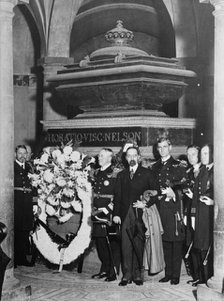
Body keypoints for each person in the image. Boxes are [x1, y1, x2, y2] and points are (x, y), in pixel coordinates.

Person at [113, 146, 157, 286]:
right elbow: (118, 197)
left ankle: (138, 275)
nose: (132, 158)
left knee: (138, 244)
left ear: (138, 157)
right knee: (125, 245)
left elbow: (156, 192)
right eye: (129, 156)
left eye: (134, 155)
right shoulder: (121, 175)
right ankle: (126, 275)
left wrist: (145, 204)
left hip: (140, 215)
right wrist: (116, 215)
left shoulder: (147, 173)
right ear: (126, 158)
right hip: (125, 214)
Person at [151, 137, 187, 285]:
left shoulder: (179, 166)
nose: (162, 150)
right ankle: (168, 273)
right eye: (159, 147)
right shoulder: (154, 167)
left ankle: (176, 275)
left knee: (176, 242)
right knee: (164, 241)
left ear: (170, 148)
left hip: (173, 209)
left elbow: (184, 187)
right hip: (160, 209)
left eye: (165, 147)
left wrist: (175, 194)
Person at [91, 148, 121, 282]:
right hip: (97, 213)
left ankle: (113, 272)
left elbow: (118, 196)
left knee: (112, 244)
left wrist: (108, 210)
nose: (99, 158)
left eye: (102, 156)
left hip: (109, 214)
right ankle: (104, 269)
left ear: (110, 158)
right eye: (99, 156)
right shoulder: (97, 172)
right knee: (101, 242)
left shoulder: (115, 173)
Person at [189, 144, 214, 286]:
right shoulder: (203, 171)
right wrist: (192, 216)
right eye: (202, 153)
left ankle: (209, 278)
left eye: (206, 153)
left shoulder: (217, 170)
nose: (202, 156)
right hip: (200, 214)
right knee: (201, 246)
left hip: (211, 215)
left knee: (208, 246)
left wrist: (213, 201)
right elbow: (196, 196)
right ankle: (203, 278)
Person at [183, 145, 201, 284]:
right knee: (190, 243)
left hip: (200, 213)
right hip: (189, 212)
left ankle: (202, 276)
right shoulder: (189, 172)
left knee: (199, 244)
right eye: (188, 154)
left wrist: (193, 195)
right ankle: (196, 276)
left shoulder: (204, 171)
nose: (190, 157)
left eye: (193, 154)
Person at [14, 145, 34, 267]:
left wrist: (35, 203)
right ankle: (14, 259)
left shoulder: (29, 167)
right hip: (16, 202)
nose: (22, 156)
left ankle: (22, 258)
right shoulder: (10, 166)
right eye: (20, 153)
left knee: (25, 231)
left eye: (24, 153)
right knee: (16, 231)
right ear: (15, 154)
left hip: (27, 203)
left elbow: (35, 185)